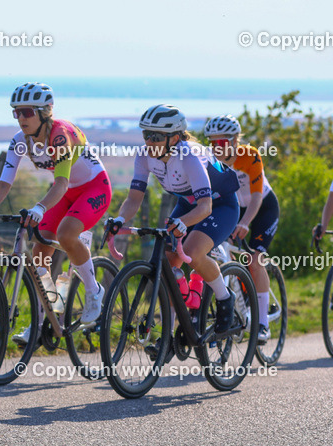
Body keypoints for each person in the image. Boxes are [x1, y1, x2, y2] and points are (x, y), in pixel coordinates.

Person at [0, 82, 113, 341]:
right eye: (16, 112)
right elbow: (3, 183)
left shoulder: (60, 135)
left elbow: (60, 182)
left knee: (67, 234)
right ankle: (45, 316)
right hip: (66, 194)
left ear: (45, 112)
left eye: (27, 112)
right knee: (39, 254)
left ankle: (94, 291)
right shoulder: (19, 141)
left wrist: (39, 207)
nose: (21, 118)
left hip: (94, 187)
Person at [105, 105, 241, 334]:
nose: (149, 141)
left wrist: (183, 223)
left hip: (219, 205)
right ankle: (167, 334)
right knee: (166, 265)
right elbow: (134, 198)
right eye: (145, 135)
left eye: (155, 136)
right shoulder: (145, 156)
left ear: (174, 138)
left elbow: (205, 207)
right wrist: (119, 218)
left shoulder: (188, 156)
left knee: (193, 252)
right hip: (189, 204)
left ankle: (225, 297)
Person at [203, 114, 279, 341]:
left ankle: (263, 323)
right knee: (227, 257)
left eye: (222, 142)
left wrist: (245, 223)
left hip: (262, 206)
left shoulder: (250, 155)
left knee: (255, 261)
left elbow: (256, 198)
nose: (217, 147)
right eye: (212, 142)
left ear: (235, 140)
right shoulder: (209, 160)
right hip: (234, 209)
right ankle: (241, 303)